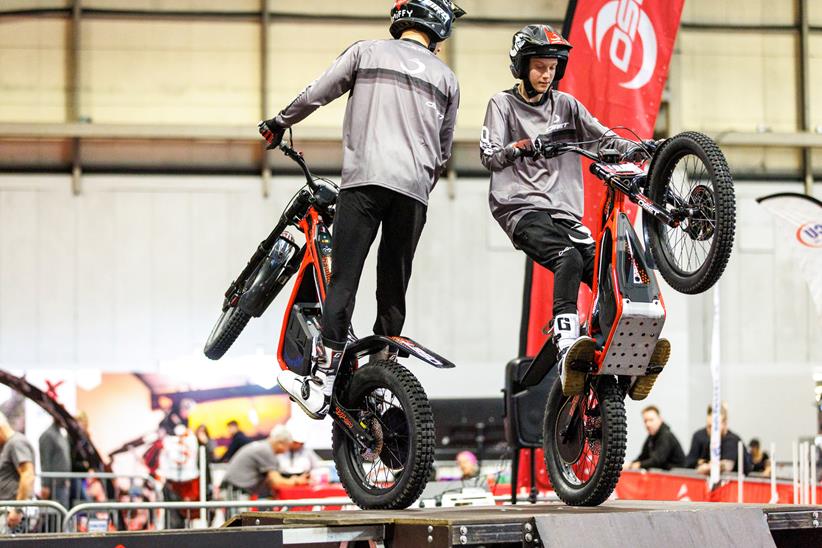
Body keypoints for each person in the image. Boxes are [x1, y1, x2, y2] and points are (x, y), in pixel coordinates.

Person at [264, 0, 464, 419]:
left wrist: (280, 121)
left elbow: (317, 93)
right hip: (413, 194)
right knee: (393, 283)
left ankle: (321, 380)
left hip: (366, 181)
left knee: (345, 278)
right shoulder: (447, 78)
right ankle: (383, 374)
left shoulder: (366, 52)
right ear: (439, 30)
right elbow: (443, 152)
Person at [479, 24, 667, 396]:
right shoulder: (502, 105)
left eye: (551, 68)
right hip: (521, 208)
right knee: (566, 257)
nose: (546, 75)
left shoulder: (566, 106)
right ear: (521, 66)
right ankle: (566, 339)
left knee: (608, 272)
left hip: (564, 214)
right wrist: (524, 146)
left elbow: (601, 136)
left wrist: (637, 148)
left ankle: (629, 354)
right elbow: (488, 156)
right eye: (538, 67)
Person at [222, 425, 309, 498]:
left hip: (234, 490)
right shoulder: (266, 451)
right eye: (287, 447)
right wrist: (295, 481)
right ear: (280, 443)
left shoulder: (263, 446)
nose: (287, 450)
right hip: (237, 492)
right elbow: (275, 482)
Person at [686, 404, 752, 475]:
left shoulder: (732, 440)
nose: (710, 430)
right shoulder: (702, 437)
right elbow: (688, 462)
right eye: (708, 426)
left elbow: (727, 465)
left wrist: (708, 467)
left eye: (714, 427)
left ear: (725, 424)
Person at [0, 411, 35, 532]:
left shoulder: (16, 443)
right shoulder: (7, 445)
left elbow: (28, 475)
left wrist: (17, 509)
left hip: (11, 515)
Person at [626, 406, 686, 470]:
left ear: (660, 419)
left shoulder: (666, 435)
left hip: (677, 476)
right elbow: (643, 457)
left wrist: (636, 465)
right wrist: (630, 464)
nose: (648, 424)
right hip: (665, 475)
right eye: (645, 421)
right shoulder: (651, 436)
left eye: (651, 420)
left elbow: (657, 461)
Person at [38, 420, 72, 509]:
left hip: (62, 484)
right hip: (53, 486)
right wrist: (45, 485)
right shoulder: (48, 435)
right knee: (54, 517)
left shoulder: (60, 435)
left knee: (62, 514)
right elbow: (45, 461)